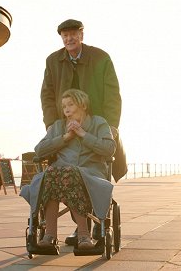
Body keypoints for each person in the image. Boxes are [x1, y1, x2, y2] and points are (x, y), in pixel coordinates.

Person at [41, 19, 123, 244]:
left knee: (86, 170)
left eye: (73, 34)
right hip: (65, 126)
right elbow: (47, 95)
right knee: (61, 174)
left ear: (82, 35)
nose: (69, 39)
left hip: (94, 125)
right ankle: (79, 229)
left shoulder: (100, 58)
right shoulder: (53, 61)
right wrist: (51, 125)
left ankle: (88, 227)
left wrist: (111, 125)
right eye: (64, 35)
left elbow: (112, 94)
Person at [34, 89, 116, 249]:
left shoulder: (98, 123)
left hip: (90, 173)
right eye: (64, 105)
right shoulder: (58, 126)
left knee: (68, 173)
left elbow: (109, 149)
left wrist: (83, 134)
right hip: (59, 174)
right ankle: (51, 235)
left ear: (83, 105)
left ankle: (82, 235)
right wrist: (65, 138)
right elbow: (39, 150)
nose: (66, 109)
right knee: (53, 172)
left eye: (70, 104)